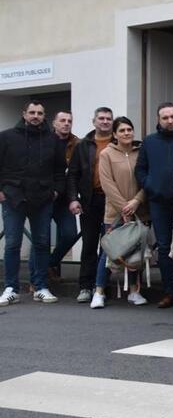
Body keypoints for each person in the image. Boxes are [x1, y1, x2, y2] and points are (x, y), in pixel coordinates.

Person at [0, 100, 66, 306]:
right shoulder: (6, 137)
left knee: (41, 244)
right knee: (12, 244)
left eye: (39, 113)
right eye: (32, 112)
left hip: (43, 198)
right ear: (24, 114)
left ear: (44, 115)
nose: (35, 116)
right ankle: (11, 288)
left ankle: (40, 287)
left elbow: (59, 170)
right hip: (13, 197)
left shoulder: (53, 140)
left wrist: (56, 191)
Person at [135, 102, 173, 308]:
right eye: (165, 118)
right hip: (158, 202)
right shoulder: (149, 142)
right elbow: (140, 170)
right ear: (158, 120)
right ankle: (170, 291)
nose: (170, 121)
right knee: (164, 246)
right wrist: (150, 185)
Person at [91, 116, 148, 308]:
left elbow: (147, 180)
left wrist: (136, 202)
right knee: (109, 252)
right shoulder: (107, 154)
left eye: (129, 130)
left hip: (138, 210)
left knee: (134, 252)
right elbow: (107, 184)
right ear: (114, 134)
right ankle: (98, 291)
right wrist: (124, 207)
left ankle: (134, 291)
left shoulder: (141, 152)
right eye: (122, 130)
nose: (126, 133)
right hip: (115, 213)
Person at [67, 107, 115, 304]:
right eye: (101, 118)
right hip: (90, 200)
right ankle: (85, 286)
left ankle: (102, 286)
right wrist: (73, 198)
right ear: (93, 121)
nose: (105, 122)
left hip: (112, 201)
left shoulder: (118, 142)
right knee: (89, 244)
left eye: (108, 119)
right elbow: (72, 175)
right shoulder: (83, 145)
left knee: (109, 246)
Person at [47, 110, 79, 285]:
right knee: (41, 240)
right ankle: (37, 280)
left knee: (69, 234)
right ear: (54, 123)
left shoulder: (77, 144)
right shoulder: (43, 141)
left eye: (69, 121)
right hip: (44, 197)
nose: (66, 123)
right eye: (62, 120)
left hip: (66, 197)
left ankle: (49, 264)